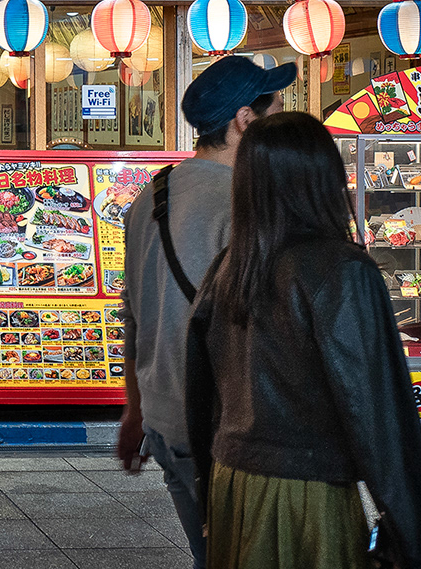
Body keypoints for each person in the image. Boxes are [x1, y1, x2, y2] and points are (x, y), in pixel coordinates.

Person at [186, 113, 421, 569]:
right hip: (305, 493)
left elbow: (199, 395)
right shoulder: (343, 270)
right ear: (325, 177)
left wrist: (206, 491)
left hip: (232, 482)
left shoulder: (228, 268)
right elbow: (378, 415)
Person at [117, 53, 296, 568]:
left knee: (211, 554)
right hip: (230, 426)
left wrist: (134, 408)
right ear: (244, 119)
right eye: (274, 111)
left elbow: (133, 314)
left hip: (166, 417)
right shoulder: (249, 200)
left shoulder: (152, 195)